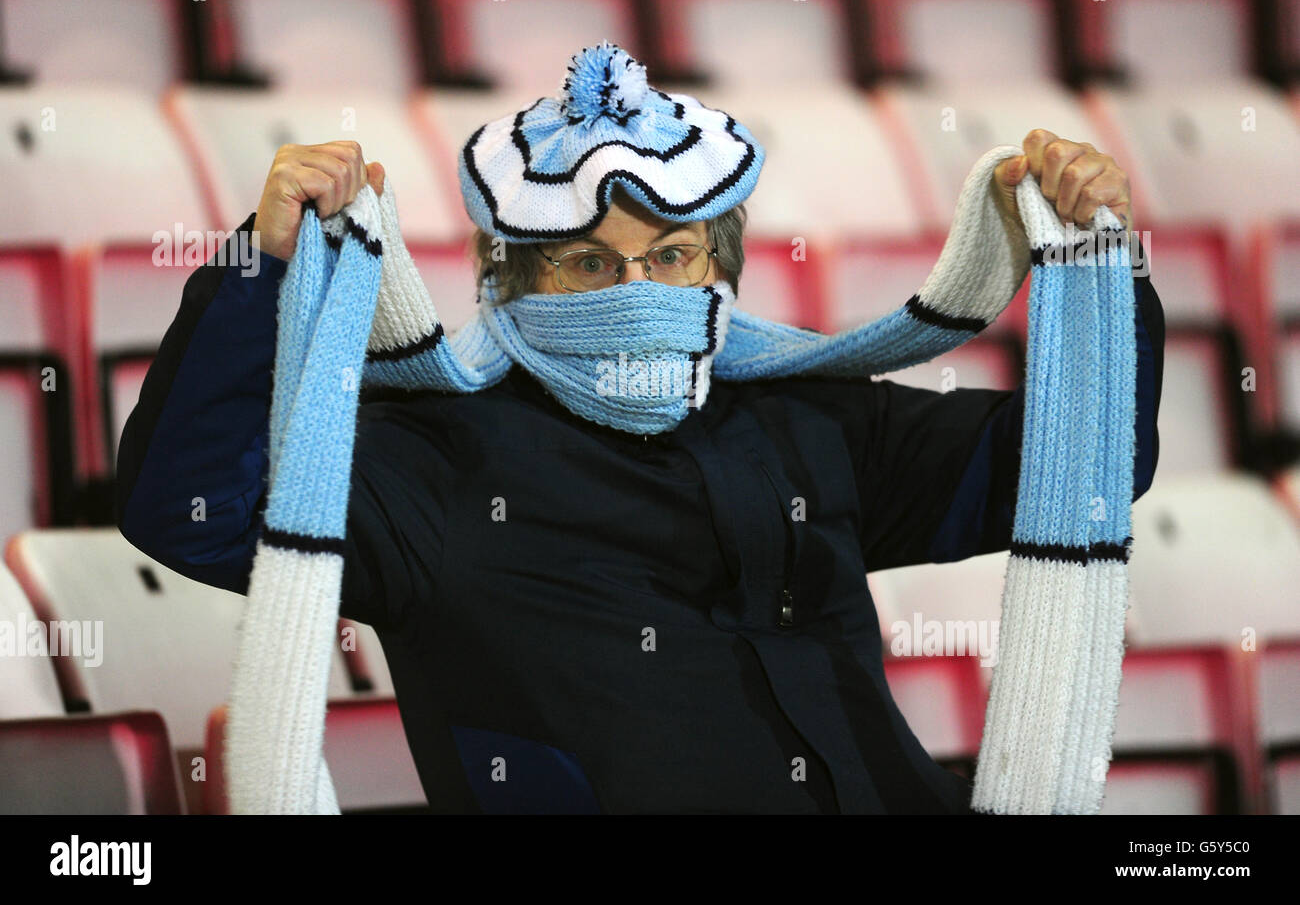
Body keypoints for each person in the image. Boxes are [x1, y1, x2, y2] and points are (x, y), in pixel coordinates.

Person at [116, 43, 1163, 814]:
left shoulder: (808, 413)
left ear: (720, 269)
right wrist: (260, 263)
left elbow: (1085, 466)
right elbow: (189, 511)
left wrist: (1102, 260)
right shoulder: (434, 459)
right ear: (512, 280)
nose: (634, 289)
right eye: (587, 262)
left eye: (670, 257)